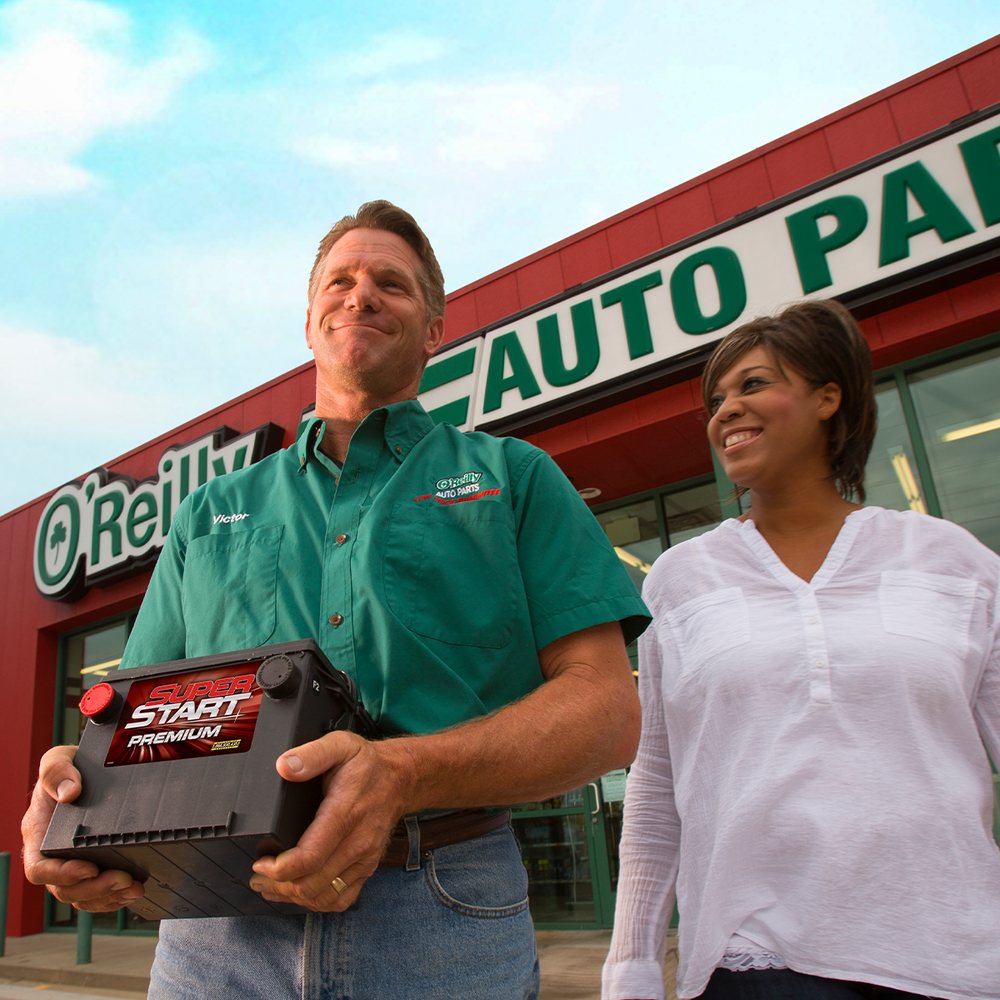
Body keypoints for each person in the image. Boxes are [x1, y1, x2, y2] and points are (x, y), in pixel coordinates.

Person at [22, 200, 651, 1000]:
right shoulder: (210, 511)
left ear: (433, 329)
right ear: (310, 321)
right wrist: (75, 790)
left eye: (391, 282)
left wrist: (402, 772)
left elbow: (607, 714)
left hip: (443, 910)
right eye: (341, 281)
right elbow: (127, 722)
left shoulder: (513, 477)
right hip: (217, 932)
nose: (362, 295)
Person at [602, 299, 1000, 1000]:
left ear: (827, 397)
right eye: (715, 400)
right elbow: (657, 784)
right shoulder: (680, 580)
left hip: (953, 955)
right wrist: (631, 966)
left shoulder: (952, 562)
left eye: (753, 384)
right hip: (753, 960)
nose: (725, 411)